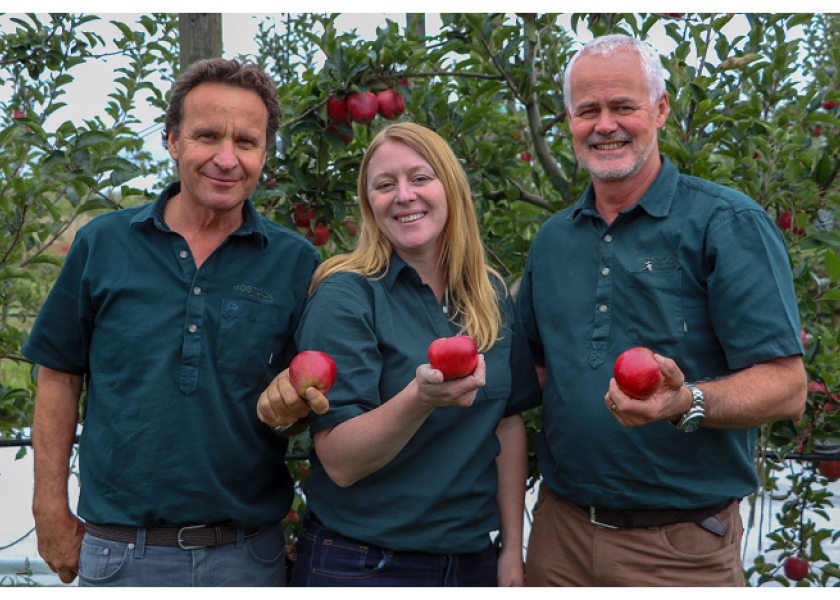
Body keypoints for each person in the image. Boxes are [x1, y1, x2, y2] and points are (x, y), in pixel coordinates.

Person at [516, 34, 807, 587]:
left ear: (661, 109)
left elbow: (787, 387)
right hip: (559, 535)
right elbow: (539, 369)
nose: (605, 125)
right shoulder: (553, 240)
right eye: (588, 111)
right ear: (570, 120)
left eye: (623, 106)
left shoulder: (725, 223)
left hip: (679, 550)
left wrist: (687, 401)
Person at [22, 58, 324, 587]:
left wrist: (294, 406)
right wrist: (48, 508)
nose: (226, 159)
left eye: (246, 142)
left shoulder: (295, 262)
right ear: (172, 141)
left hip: (248, 557)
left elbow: (300, 407)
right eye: (207, 136)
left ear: (264, 153)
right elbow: (59, 376)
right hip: (119, 553)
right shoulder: (104, 244)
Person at [257, 122, 540, 587]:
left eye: (420, 178)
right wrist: (420, 398)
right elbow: (342, 463)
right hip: (363, 563)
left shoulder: (488, 294)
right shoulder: (347, 295)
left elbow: (507, 424)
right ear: (370, 204)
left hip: (471, 561)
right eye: (385, 185)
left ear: (450, 186)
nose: (404, 195)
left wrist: (510, 549)